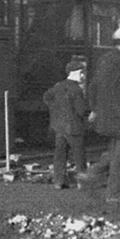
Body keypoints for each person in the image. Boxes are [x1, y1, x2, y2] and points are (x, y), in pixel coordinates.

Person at [87, 27, 120, 205]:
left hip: (106, 114)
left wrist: (94, 108)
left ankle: (90, 175)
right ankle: (116, 195)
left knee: (114, 152)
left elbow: (93, 85)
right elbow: (118, 90)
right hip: (118, 117)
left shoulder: (105, 59)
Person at [43, 60, 88, 189]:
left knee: (60, 155)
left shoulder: (58, 86)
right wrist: (89, 115)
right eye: (82, 73)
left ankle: (59, 181)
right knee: (79, 156)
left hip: (59, 127)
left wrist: (55, 110)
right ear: (75, 73)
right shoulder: (76, 89)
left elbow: (46, 97)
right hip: (74, 127)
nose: (83, 76)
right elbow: (81, 110)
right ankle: (82, 183)